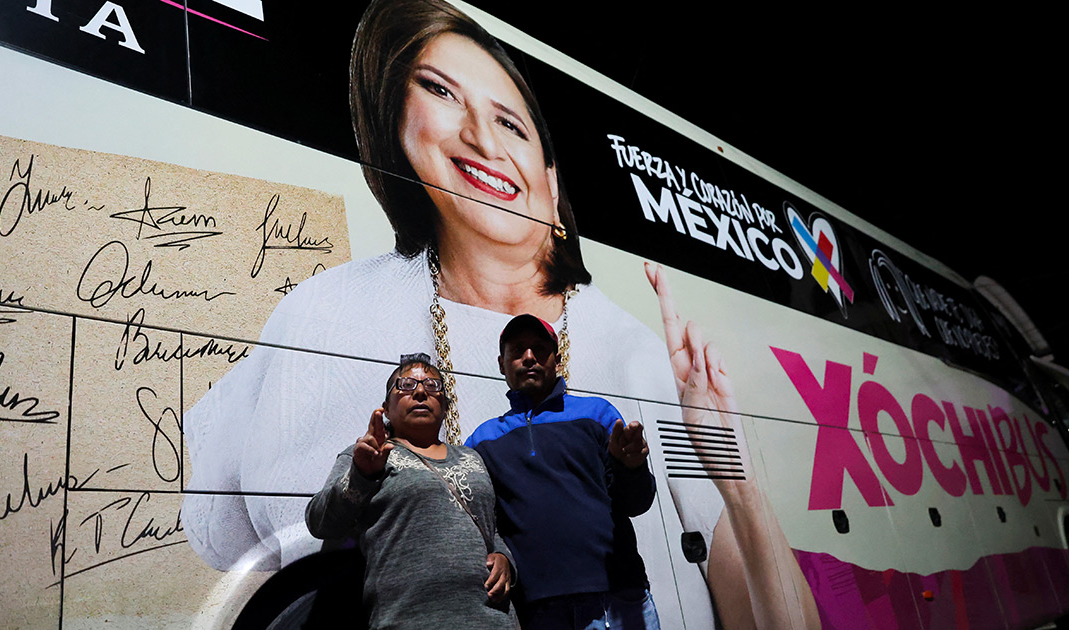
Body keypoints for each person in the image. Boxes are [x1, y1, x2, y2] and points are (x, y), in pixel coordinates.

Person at [182, 0, 820, 628]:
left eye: (511, 124)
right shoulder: (325, 315)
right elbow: (239, 541)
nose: (483, 139)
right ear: (397, 126)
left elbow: (767, 610)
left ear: (551, 177)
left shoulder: (638, 354)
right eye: (440, 91)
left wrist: (735, 479)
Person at [466, 315, 659, 629]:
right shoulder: (481, 441)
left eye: (540, 349)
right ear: (501, 364)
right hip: (538, 611)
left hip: (616, 599)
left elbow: (635, 503)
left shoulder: (598, 414)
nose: (529, 357)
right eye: (518, 350)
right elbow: (478, 520)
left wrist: (632, 468)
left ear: (557, 359)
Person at [305, 353, 517, 630]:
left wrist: (505, 560)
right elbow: (321, 523)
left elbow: (492, 527)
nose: (419, 392)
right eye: (405, 385)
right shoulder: (367, 454)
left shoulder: (471, 457)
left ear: (445, 406)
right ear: (386, 407)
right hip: (408, 619)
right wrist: (362, 475)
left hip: (492, 618)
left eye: (432, 386)